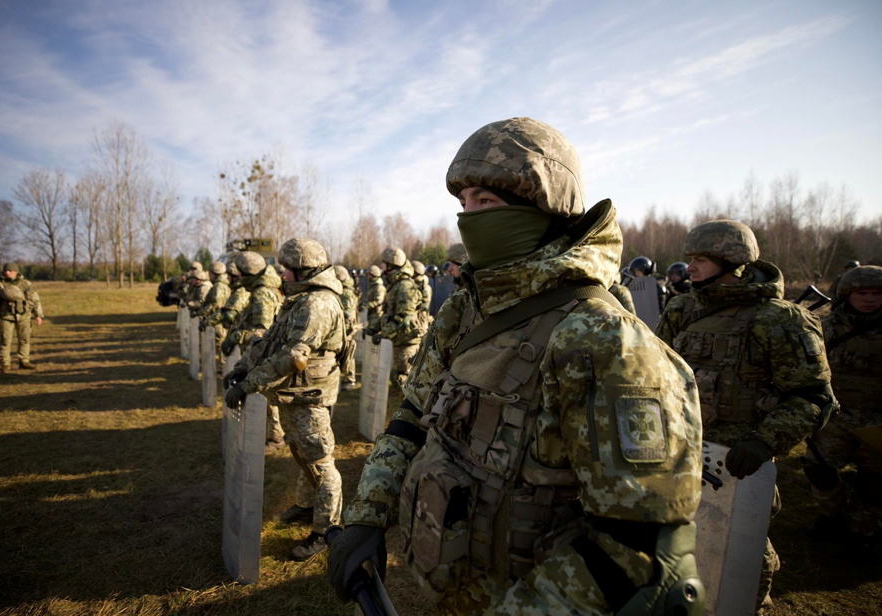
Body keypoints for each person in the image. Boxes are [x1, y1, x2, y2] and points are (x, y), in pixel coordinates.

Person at [329, 117, 705, 615]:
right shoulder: (463, 311)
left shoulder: (603, 341)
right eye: (463, 203)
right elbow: (413, 417)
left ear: (545, 207)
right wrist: (368, 515)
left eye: (486, 202)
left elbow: (639, 561)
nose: (468, 218)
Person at [656, 219, 836, 611]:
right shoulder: (682, 308)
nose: (691, 267)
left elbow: (813, 397)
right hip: (681, 450)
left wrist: (764, 441)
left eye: (701, 259)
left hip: (739, 461)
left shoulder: (780, 320)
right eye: (690, 258)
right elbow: (657, 374)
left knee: (742, 549)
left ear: (733, 262)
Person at [223, 238, 345, 562]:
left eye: (286, 268)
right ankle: (306, 508)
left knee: (320, 462)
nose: (280, 272)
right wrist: (241, 367)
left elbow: (293, 357)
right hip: (294, 394)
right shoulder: (300, 298)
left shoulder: (317, 304)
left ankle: (326, 530)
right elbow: (270, 341)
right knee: (302, 454)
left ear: (302, 270)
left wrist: (249, 384)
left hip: (311, 396)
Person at [803, 265, 882, 553]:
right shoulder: (827, 327)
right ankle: (832, 515)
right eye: (863, 292)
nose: (870, 299)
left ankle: (863, 530)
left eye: (876, 293)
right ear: (847, 294)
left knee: (874, 483)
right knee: (817, 469)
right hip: (835, 415)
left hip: (877, 421)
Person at [221, 251, 286, 452]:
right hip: (264, 351)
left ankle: (275, 438)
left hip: (264, 353)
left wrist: (236, 337)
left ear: (248, 273)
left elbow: (262, 332)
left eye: (240, 274)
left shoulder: (262, 294)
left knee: (265, 394)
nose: (237, 278)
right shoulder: (265, 289)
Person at [373, 247, 423, 387]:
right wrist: (373, 328)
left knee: (404, 377)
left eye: (383, 263)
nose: (381, 267)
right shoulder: (395, 285)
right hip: (399, 339)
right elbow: (389, 313)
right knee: (398, 376)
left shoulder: (404, 286)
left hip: (407, 340)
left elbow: (403, 318)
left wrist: (383, 334)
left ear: (392, 265)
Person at [0, 262, 44, 374]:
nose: (7, 273)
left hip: (24, 316)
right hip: (5, 316)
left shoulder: (26, 284)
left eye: (10, 271)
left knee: (25, 339)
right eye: (5, 271)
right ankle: (5, 364)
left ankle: (24, 361)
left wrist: (38, 315)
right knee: (5, 341)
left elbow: (35, 300)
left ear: (16, 272)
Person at [198, 261, 232, 363]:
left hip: (219, 321)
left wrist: (204, 312)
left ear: (214, 273)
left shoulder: (219, 286)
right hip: (219, 318)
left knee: (220, 344)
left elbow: (216, 304)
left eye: (210, 273)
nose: (209, 276)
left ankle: (223, 368)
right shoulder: (222, 284)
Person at [334, 265, 359, 391]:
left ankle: (350, 380)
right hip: (345, 328)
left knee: (347, 354)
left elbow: (348, 314)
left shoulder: (346, 292)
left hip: (346, 328)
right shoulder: (344, 289)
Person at [358, 264, 386, 333]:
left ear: (374, 275)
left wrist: (366, 306)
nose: (367, 277)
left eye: (369, 275)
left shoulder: (379, 287)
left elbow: (378, 301)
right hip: (370, 316)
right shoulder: (372, 286)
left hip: (377, 317)